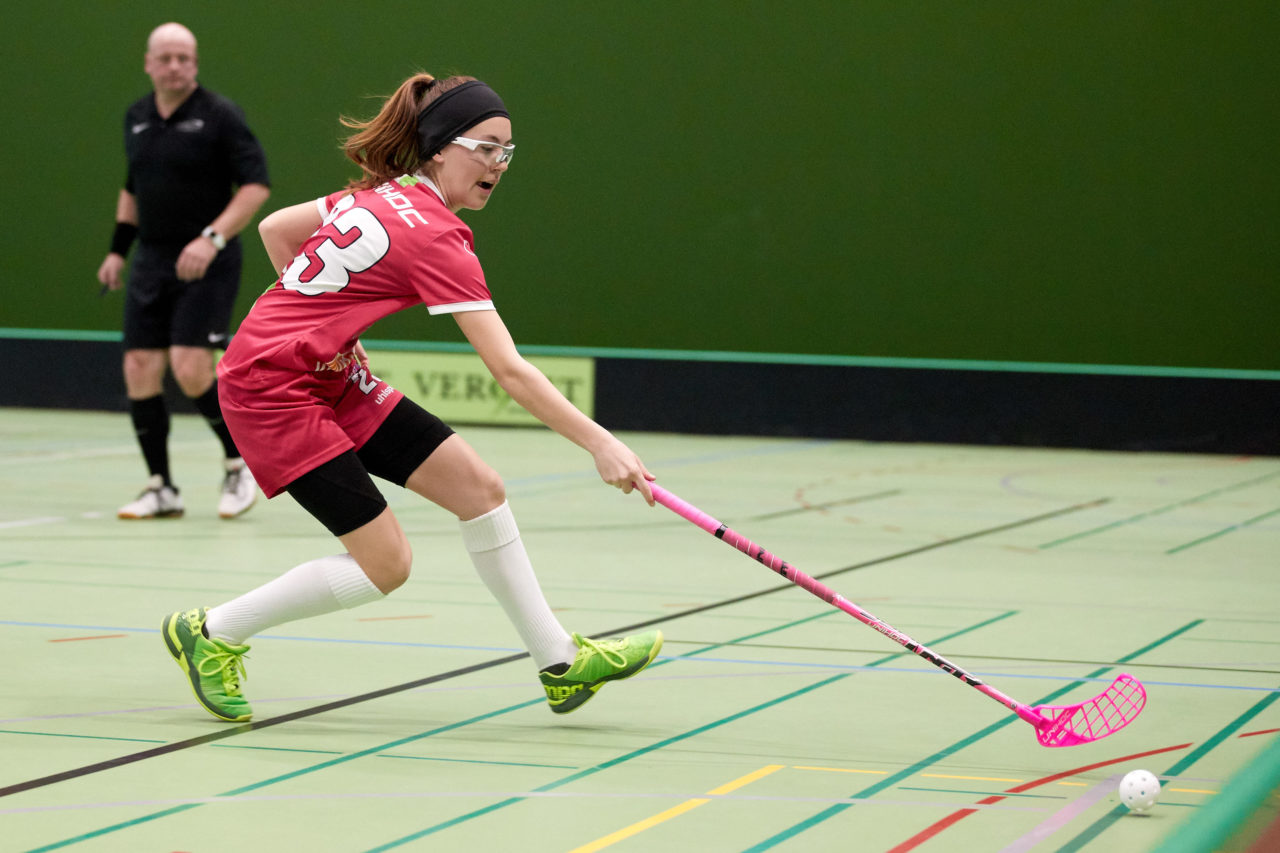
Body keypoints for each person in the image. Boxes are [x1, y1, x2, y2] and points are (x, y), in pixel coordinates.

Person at [160, 72, 663, 722]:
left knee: (479, 489)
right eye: (486, 147)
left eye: (508, 152)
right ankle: (211, 631)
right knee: (387, 563)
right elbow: (508, 371)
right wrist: (602, 444)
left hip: (326, 374)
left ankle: (559, 663)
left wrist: (328, 325)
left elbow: (278, 231)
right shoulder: (435, 237)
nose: (498, 165)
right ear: (439, 146)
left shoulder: (380, 195)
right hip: (270, 389)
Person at [97, 22, 271, 520]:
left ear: (194, 63)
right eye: (166, 58)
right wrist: (116, 251)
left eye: (185, 58)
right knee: (139, 369)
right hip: (151, 260)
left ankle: (239, 465)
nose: (175, 66)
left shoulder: (220, 116)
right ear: (149, 63)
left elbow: (256, 186)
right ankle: (161, 487)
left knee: (191, 366)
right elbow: (132, 189)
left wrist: (211, 239)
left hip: (207, 262)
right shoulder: (136, 117)